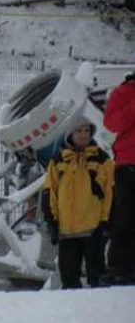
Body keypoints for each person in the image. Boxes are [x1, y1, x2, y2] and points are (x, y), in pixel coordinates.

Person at [41, 117, 114, 289]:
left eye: (86, 131)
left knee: (97, 279)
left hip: (93, 231)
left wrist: (105, 223)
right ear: (70, 134)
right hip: (67, 233)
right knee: (69, 280)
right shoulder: (58, 161)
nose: (83, 135)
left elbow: (110, 194)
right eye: (78, 131)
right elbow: (50, 192)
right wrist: (52, 221)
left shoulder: (103, 160)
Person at [101, 71, 135, 286]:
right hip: (129, 164)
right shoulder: (123, 92)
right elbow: (112, 123)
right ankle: (119, 267)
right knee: (126, 218)